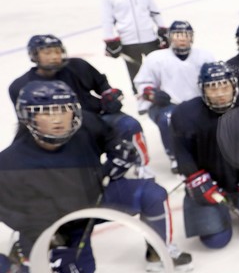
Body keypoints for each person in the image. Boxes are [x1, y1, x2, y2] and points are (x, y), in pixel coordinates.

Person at [0, 81, 190, 273]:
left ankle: (159, 252)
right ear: (27, 116)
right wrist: (48, 242)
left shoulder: (85, 125)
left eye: (64, 109)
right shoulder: (9, 163)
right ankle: (22, 260)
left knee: (152, 194)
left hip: (97, 199)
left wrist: (118, 152)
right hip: (58, 226)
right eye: (45, 112)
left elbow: (109, 135)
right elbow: (15, 214)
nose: (57, 119)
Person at [172, 62, 239, 249]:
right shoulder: (184, 113)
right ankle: (223, 205)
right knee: (216, 241)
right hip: (207, 178)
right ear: (202, 90)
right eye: (213, 88)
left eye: (224, 86)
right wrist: (195, 178)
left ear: (234, 86)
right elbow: (181, 152)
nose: (220, 93)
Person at [10, 35, 150, 174]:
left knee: (129, 125)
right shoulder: (20, 87)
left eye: (57, 51)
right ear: (34, 55)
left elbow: (102, 85)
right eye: (47, 52)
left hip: (97, 119)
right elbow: (26, 122)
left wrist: (110, 96)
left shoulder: (78, 66)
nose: (54, 56)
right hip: (59, 130)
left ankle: (141, 166)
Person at [134, 20, 215, 173]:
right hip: (167, 105)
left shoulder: (205, 56)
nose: (181, 38)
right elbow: (142, 83)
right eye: (177, 34)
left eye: (185, 34)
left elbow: (214, 80)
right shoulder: (155, 58)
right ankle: (176, 157)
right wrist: (153, 95)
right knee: (168, 119)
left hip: (198, 103)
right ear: (170, 37)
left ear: (191, 37)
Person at [101, 0, 167, 94]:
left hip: (150, 38)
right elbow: (107, 19)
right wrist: (109, 40)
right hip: (128, 41)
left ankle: (163, 93)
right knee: (135, 72)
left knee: (159, 67)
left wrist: (163, 30)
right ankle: (140, 97)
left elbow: (155, 12)